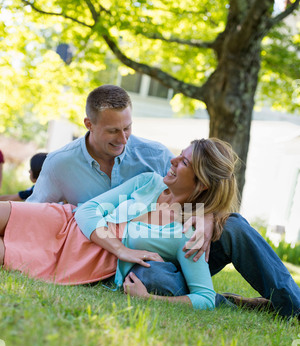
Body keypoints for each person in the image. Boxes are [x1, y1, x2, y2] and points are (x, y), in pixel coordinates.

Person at [27, 85, 300, 318]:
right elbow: (37, 215)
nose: (123, 139)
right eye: (113, 131)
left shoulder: (153, 155)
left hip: (182, 242)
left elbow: (197, 186)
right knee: (151, 278)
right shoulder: (60, 164)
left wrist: (208, 216)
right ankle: (216, 299)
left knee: (234, 226)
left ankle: (293, 305)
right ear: (90, 124)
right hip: (132, 257)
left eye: (128, 128)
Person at [0, 138, 238, 311]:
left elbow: (205, 298)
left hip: (83, 257)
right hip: (66, 220)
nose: (173, 160)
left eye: (184, 161)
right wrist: (122, 249)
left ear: (202, 184)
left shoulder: (188, 233)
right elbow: (87, 211)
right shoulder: (149, 181)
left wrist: (149, 299)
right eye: (180, 154)